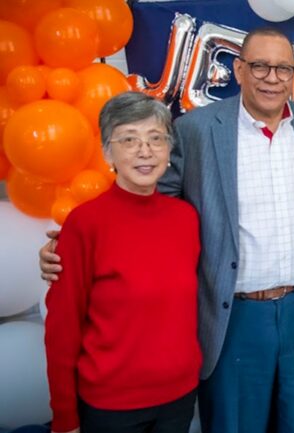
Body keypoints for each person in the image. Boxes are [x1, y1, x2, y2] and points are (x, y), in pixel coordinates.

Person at [40, 28, 294, 433]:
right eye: (260, 66)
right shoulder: (197, 129)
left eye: (283, 68)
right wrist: (73, 247)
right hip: (235, 311)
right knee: (234, 424)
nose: (272, 78)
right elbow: (145, 198)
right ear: (239, 70)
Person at [45, 91, 201, 433]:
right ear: (106, 151)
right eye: (129, 139)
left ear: (168, 150)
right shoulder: (85, 224)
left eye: (155, 139)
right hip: (110, 404)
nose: (144, 151)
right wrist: (64, 417)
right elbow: (62, 329)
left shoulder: (186, 217)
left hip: (178, 397)